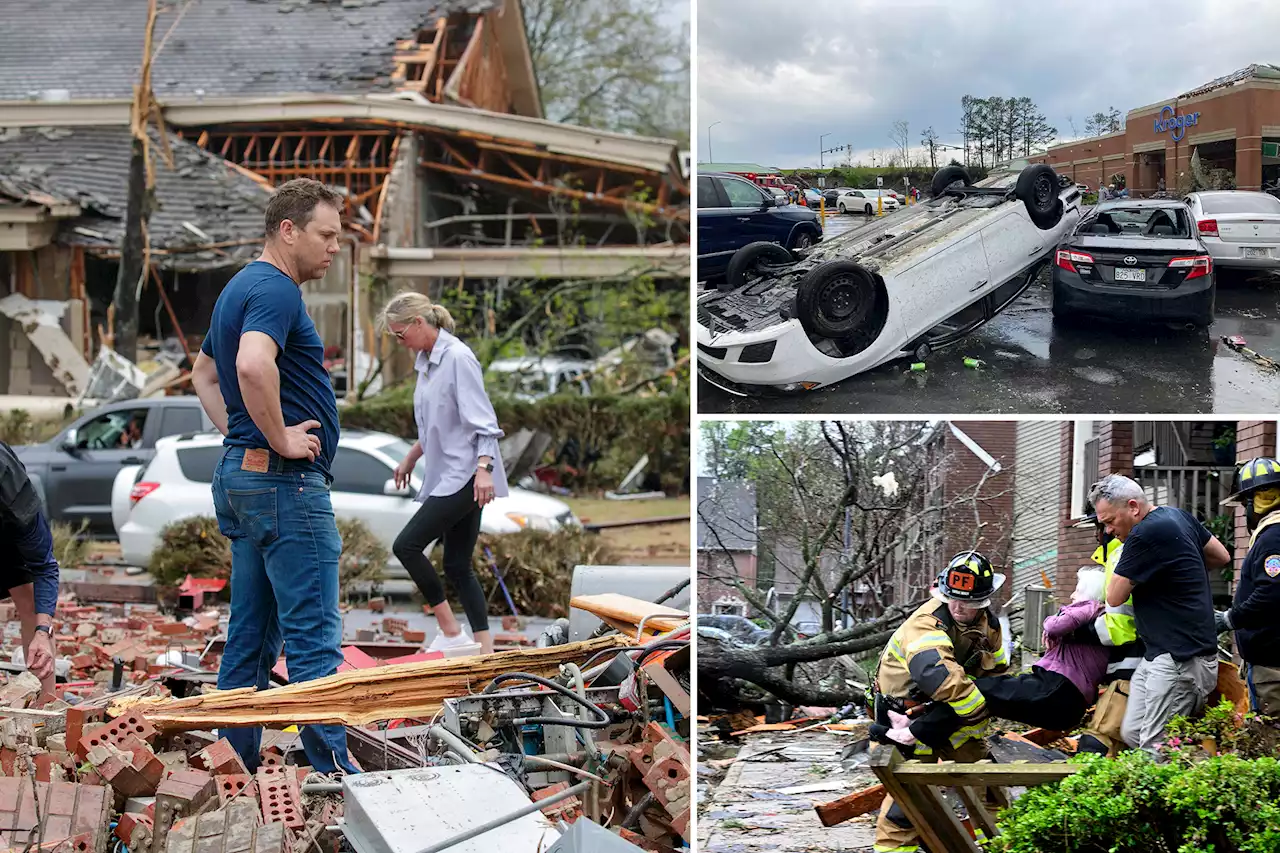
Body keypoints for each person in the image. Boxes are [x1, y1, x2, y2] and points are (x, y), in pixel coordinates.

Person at [190, 178, 358, 775]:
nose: (335, 247)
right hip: (286, 485)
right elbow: (250, 365)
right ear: (288, 231)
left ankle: (230, 772)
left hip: (245, 481)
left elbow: (202, 373)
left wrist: (240, 434)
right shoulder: (277, 290)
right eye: (326, 234)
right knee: (313, 638)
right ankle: (335, 780)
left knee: (251, 639)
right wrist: (278, 435)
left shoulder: (239, 286)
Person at [379, 291, 507, 655]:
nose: (399, 342)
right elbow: (436, 424)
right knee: (456, 565)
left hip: (467, 474)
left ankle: (451, 634)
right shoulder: (426, 359)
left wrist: (484, 470)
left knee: (406, 545)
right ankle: (484, 651)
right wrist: (410, 457)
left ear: (419, 323)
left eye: (400, 334)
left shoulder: (458, 358)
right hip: (449, 470)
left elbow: (483, 422)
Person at [871, 552, 1007, 853]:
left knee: (988, 785)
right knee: (908, 803)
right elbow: (936, 673)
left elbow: (996, 672)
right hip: (906, 719)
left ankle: (1000, 846)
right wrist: (979, 711)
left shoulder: (990, 627)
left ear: (983, 600)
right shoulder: (925, 624)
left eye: (967, 602)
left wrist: (982, 707)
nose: (958, 606)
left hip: (954, 716)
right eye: (951, 598)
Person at [885, 568, 1109, 750]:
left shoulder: (1089, 608)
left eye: (1078, 591)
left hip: (1058, 690)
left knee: (976, 691)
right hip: (1061, 698)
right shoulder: (1094, 623)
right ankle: (913, 725)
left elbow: (1055, 625)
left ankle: (911, 731)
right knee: (980, 695)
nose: (1072, 596)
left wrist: (1055, 621)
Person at [1090, 474, 1228, 757]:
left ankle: (1195, 785)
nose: (1108, 531)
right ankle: (1190, 771)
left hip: (1180, 659)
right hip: (1160, 653)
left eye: (1109, 521)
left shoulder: (1143, 535)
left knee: (1155, 750)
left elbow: (1114, 597)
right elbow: (1220, 556)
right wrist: (1172, 567)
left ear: (1133, 507)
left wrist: (1142, 561)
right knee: (1133, 732)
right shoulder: (1178, 517)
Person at [1215, 457, 1280, 717]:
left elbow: (1271, 592)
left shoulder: (1274, 537)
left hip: (1273, 666)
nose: (1244, 512)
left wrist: (1230, 618)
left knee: (1271, 737)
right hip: (1270, 661)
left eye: (1245, 503)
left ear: (1260, 500)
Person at [0, 441, 59, 698]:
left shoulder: (17, 501)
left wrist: (42, 632)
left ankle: (46, 706)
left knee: (30, 599)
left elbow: (45, 567)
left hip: (8, 527)